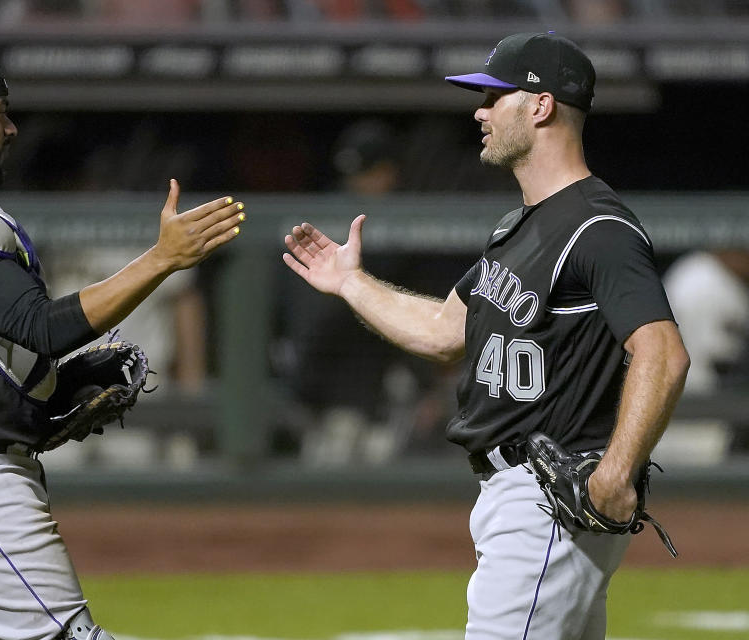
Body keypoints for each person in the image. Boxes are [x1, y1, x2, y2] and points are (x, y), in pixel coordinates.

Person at [282, 32, 689, 639]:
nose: (479, 111)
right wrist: (350, 283)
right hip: (516, 495)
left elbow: (662, 350)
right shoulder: (519, 226)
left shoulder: (599, 227)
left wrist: (617, 471)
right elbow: (446, 332)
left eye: (493, 96)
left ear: (540, 106)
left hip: (550, 497)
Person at [0, 49, 245, 640]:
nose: (11, 128)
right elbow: (41, 327)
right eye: (0, 112)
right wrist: (163, 259)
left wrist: (30, 399)